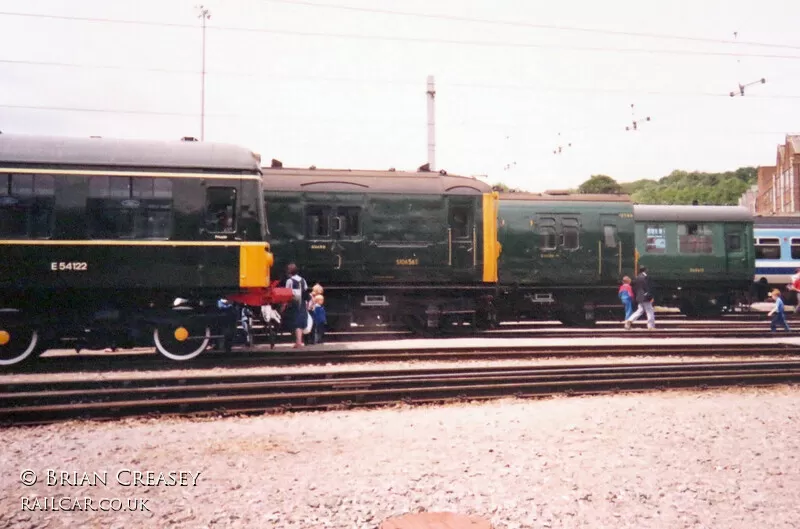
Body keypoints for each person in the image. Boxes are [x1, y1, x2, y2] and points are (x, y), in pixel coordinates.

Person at [284, 263, 309, 347]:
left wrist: (284, 305)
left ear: (289, 271)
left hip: (293, 303)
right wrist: (307, 305)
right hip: (302, 303)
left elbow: (287, 294)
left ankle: (298, 342)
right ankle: (299, 341)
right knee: (300, 322)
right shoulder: (303, 280)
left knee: (296, 323)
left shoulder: (289, 281)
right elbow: (306, 293)